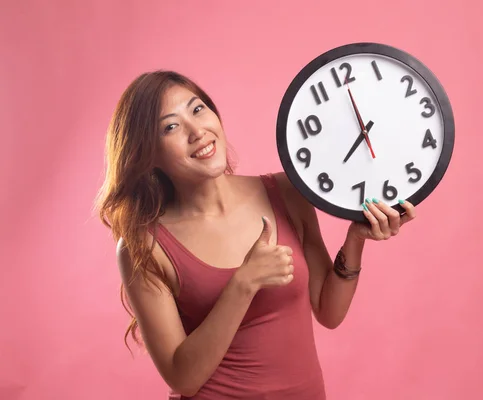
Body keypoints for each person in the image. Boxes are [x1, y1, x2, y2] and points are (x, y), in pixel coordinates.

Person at [94, 70, 416, 400]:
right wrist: (243, 283)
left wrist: (356, 239)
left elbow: (328, 311)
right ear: (148, 155)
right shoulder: (144, 246)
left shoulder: (286, 191)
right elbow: (183, 379)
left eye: (198, 109)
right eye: (170, 126)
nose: (197, 131)